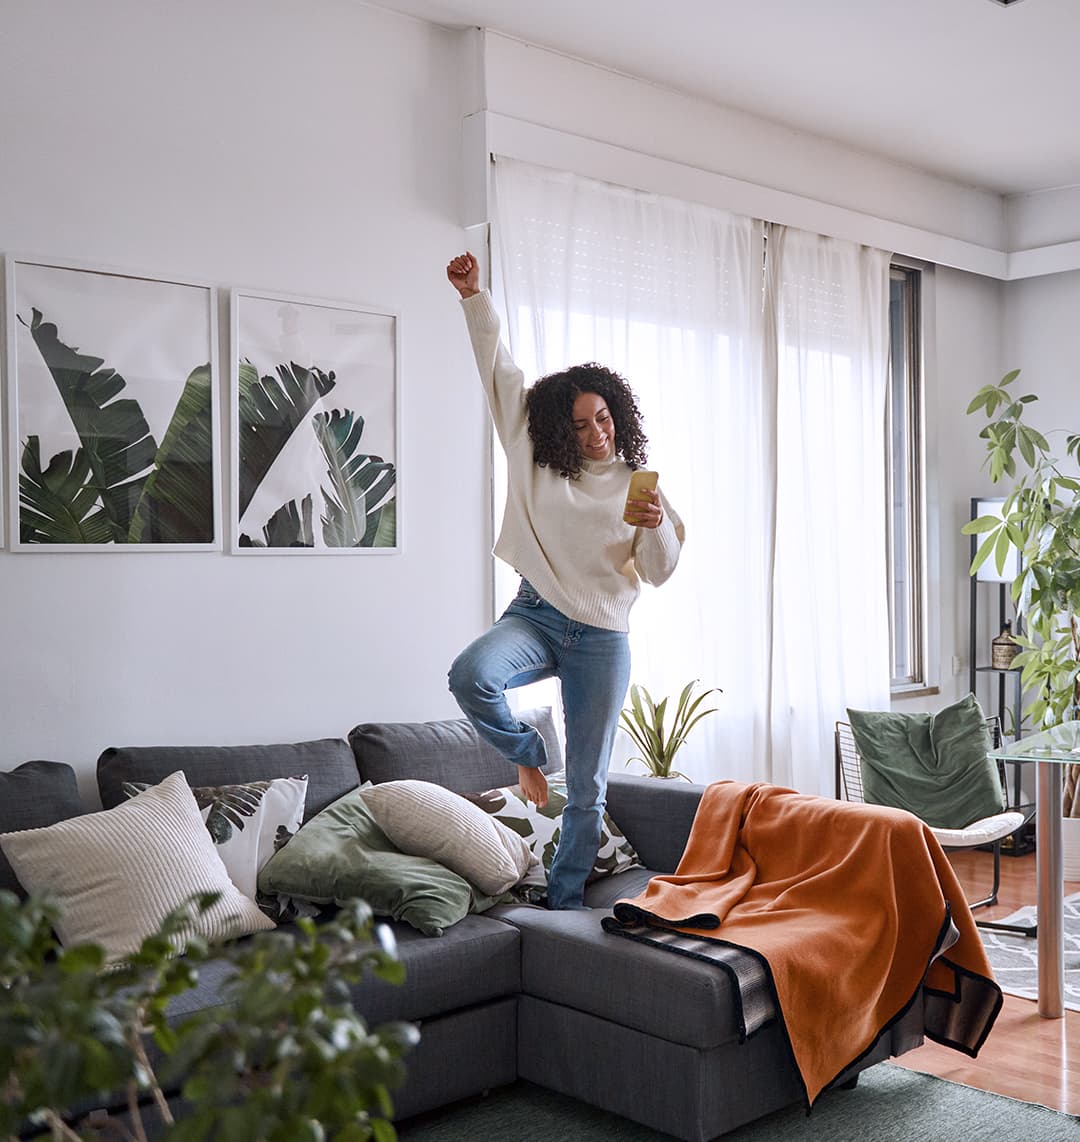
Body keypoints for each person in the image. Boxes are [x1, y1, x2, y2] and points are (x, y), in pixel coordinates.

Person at [445, 251, 685, 910]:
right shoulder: (531, 452)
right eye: (580, 424)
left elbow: (660, 572)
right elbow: (499, 369)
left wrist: (657, 522)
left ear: (617, 414)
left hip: (603, 637)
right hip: (537, 615)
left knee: (587, 788)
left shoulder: (639, 484)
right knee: (471, 675)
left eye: (603, 418)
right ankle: (526, 748)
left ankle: (565, 906)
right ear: (559, 428)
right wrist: (473, 296)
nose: (596, 432)